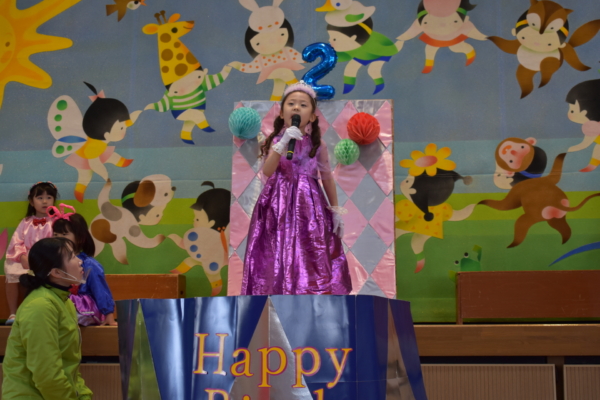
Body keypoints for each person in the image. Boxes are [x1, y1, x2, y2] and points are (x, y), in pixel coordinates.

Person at [241, 81, 352, 295]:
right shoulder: (276, 141)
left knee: (309, 249)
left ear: (312, 117)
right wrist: (282, 143)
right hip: (277, 203)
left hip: (308, 205)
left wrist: (335, 211)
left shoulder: (317, 145)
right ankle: (275, 293)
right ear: (282, 112)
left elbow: (327, 178)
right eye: (291, 103)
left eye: (303, 105)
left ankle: (309, 293)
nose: (296, 107)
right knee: (276, 248)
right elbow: (268, 171)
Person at [2, 237, 93, 400]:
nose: (80, 261)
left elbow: (70, 367)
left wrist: (84, 395)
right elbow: (47, 374)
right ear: (56, 272)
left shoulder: (64, 301)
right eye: (72, 257)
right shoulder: (40, 306)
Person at [51, 205, 117, 326]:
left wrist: (109, 315)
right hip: (59, 304)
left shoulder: (89, 264)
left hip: (84, 308)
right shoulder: (52, 262)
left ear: (80, 238)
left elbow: (100, 290)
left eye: (64, 234)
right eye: (55, 235)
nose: (59, 239)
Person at [4, 182, 58, 325]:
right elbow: (17, 241)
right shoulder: (25, 222)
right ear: (31, 202)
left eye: (49, 197)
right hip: (26, 258)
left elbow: (58, 242)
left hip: (47, 259)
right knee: (12, 270)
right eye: (40, 198)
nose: (45, 201)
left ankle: (43, 312)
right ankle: (13, 313)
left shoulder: (56, 222)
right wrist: (22, 256)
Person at [566, 78, 600, 172]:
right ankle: (592, 165)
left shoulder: (592, 127)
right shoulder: (592, 127)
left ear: (585, 112)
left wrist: (574, 148)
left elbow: (585, 143)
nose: (568, 114)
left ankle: (592, 165)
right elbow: (585, 142)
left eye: (572, 111)